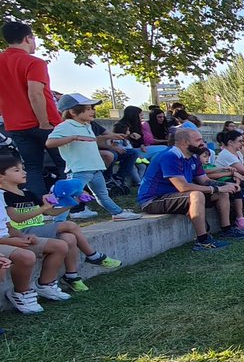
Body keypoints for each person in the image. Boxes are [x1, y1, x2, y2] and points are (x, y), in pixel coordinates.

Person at [1, 151, 122, 292]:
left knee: (69, 237)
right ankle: (93, 255)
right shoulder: (3, 195)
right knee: (69, 225)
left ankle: (71, 276)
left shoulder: (28, 193)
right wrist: (43, 208)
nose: (24, 172)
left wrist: (74, 202)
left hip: (37, 229)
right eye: (17, 170)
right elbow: (16, 217)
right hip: (22, 232)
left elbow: (51, 212)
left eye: (23, 169)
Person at [136, 128, 244, 251]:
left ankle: (226, 229)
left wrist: (226, 185)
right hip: (153, 199)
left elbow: (204, 180)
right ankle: (203, 241)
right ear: (184, 142)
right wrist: (215, 188)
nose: (203, 143)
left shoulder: (193, 157)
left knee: (222, 192)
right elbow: (183, 187)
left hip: (176, 195)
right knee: (196, 195)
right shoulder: (169, 156)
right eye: (198, 140)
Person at [45, 93, 142, 221]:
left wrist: (110, 137)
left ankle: (117, 213)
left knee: (102, 194)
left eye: (92, 108)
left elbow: (91, 141)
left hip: (94, 168)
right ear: (73, 112)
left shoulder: (87, 125)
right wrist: (73, 137)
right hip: (80, 169)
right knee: (70, 196)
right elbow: (49, 142)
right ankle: (58, 222)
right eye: (88, 109)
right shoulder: (65, 126)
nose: (93, 111)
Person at [0, 21, 65, 197]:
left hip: (15, 124)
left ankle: (40, 207)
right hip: (44, 122)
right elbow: (35, 93)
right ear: (28, 38)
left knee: (32, 167)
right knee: (64, 163)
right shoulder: (34, 62)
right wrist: (44, 122)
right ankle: (73, 205)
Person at [0, 177, 72, 312]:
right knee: (26, 256)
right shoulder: (6, 196)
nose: (24, 172)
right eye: (17, 170)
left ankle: (45, 284)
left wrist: (22, 236)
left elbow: (8, 226)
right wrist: (10, 241)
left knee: (60, 245)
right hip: (5, 242)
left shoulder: (1, 196)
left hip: (8, 238)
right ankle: (21, 292)